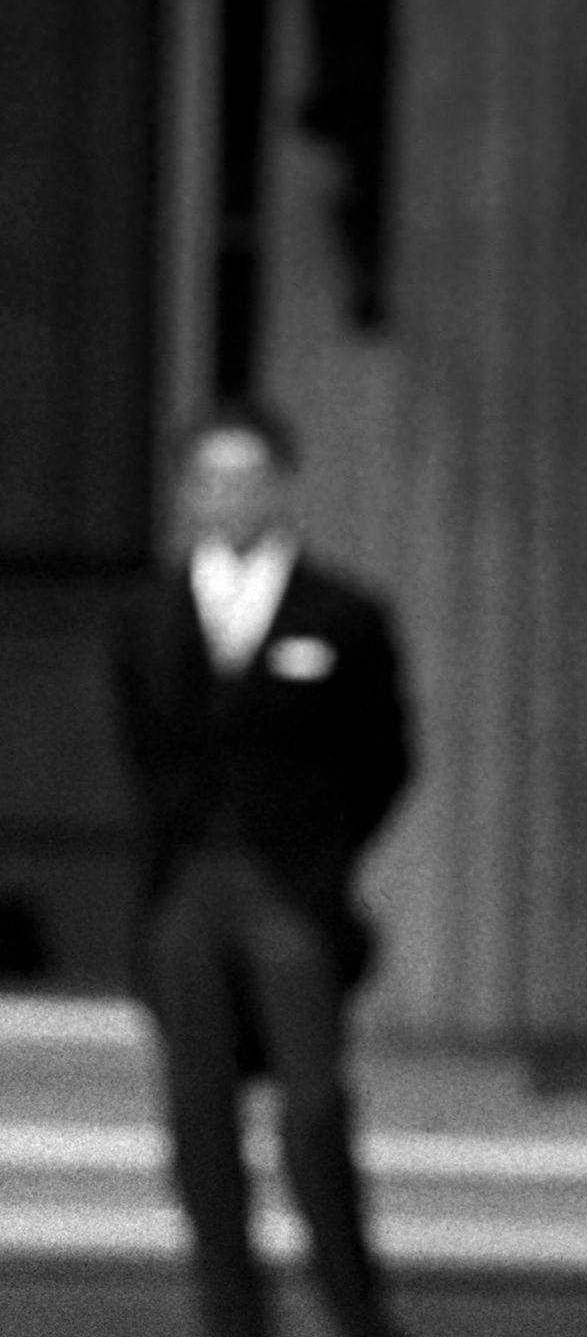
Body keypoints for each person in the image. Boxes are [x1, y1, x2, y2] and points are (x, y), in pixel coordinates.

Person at [111, 404, 413, 1337]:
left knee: (313, 1106)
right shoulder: (146, 613)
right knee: (198, 1111)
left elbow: (385, 757)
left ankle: (355, 1310)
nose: (229, 497)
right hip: (188, 882)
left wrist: (321, 858)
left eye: (248, 478)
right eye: (210, 479)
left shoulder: (343, 613)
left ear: (284, 485)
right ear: (186, 493)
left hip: (292, 885)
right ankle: (229, 1316)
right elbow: (140, 745)